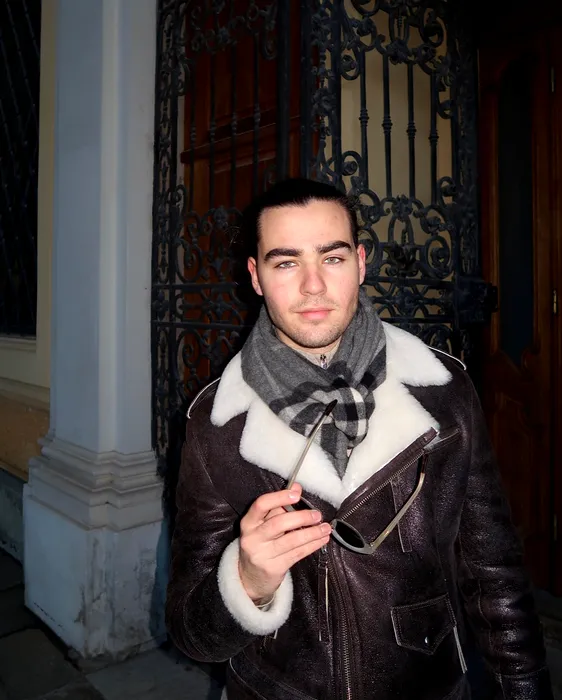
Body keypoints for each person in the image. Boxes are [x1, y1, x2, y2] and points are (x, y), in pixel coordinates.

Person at [165, 178, 552, 700]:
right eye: (286, 263)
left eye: (332, 258)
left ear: (361, 263)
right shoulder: (214, 423)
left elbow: (495, 576)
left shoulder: (443, 390)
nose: (313, 286)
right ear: (255, 277)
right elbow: (191, 633)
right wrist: (247, 582)